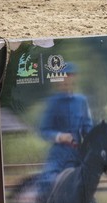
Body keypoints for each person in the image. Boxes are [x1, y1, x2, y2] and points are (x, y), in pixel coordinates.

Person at [36, 62, 93, 193]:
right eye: (62, 76)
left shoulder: (81, 101)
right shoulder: (52, 102)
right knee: (47, 182)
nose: (66, 79)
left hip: (78, 154)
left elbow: (87, 128)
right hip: (58, 155)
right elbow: (44, 130)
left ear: (73, 78)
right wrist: (60, 136)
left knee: (87, 183)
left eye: (69, 75)